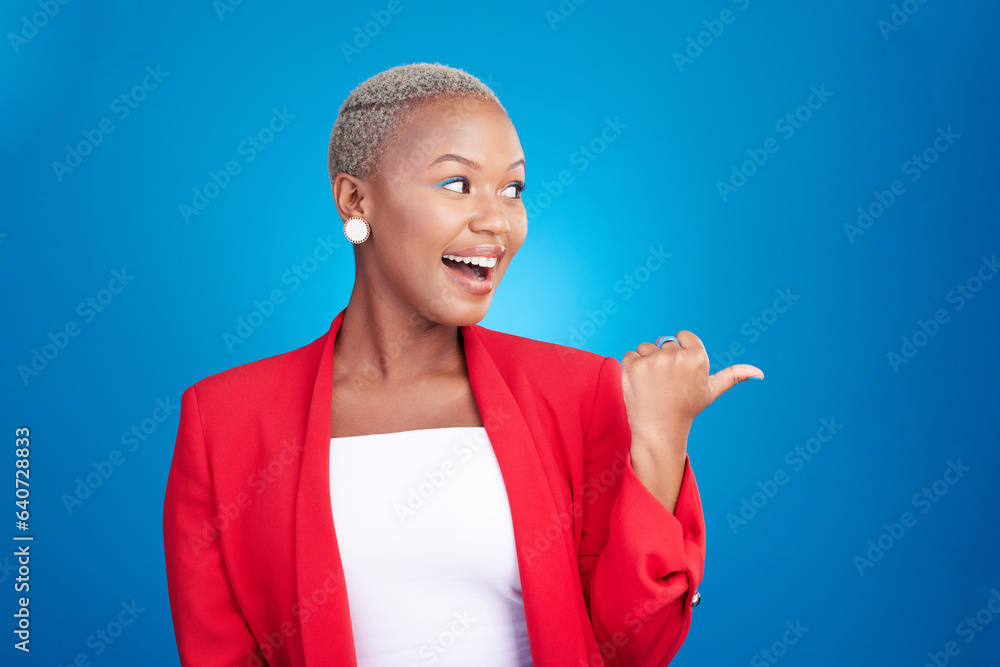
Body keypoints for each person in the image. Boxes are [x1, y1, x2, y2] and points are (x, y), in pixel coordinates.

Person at [162, 62, 763, 667]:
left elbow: (632, 647)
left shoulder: (581, 392)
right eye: (456, 184)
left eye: (512, 189)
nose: (496, 221)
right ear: (354, 199)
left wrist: (660, 438)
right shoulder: (224, 423)